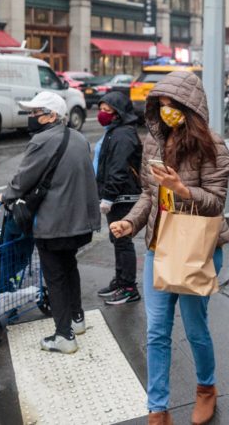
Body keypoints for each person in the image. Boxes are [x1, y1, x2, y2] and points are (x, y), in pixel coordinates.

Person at [109, 70, 229, 425]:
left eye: (172, 105)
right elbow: (149, 194)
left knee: (195, 328)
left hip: (198, 247)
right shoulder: (153, 141)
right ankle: (157, 408)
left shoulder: (213, 144)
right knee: (157, 330)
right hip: (159, 246)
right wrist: (131, 222)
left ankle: (206, 389)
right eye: (160, 105)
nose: (166, 112)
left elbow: (215, 203)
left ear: (189, 106)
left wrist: (182, 190)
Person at [0, 91, 99, 354]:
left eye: (35, 113)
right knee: (69, 268)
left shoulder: (41, 141)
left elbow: (23, 180)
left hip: (54, 224)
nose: (31, 117)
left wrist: (5, 196)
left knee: (54, 277)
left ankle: (64, 335)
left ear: (52, 115)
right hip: (79, 222)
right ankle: (77, 320)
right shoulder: (79, 139)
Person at [94, 91, 143, 305]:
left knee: (122, 240)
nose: (102, 114)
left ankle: (129, 287)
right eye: (101, 109)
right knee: (117, 240)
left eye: (107, 110)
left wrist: (108, 197)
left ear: (118, 113)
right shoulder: (115, 131)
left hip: (123, 196)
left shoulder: (123, 135)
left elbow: (118, 169)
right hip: (118, 195)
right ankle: (121, 280)